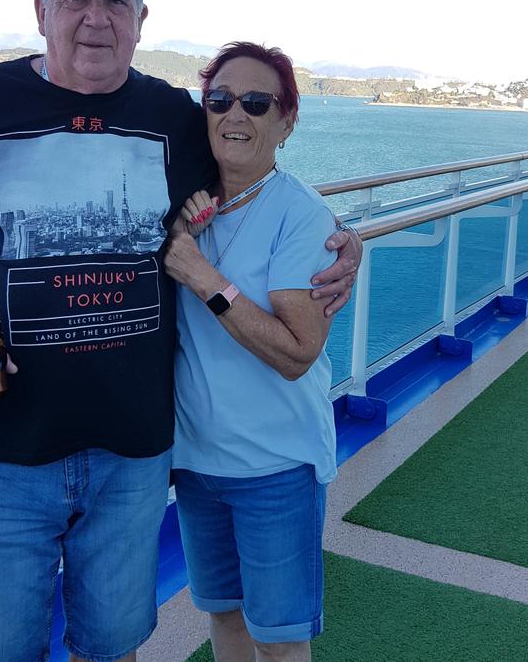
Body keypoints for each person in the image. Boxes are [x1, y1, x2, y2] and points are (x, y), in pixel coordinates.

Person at [0, 0, 361, 662]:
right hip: (1, 451)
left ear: (141, 20)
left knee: (114, 646)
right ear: (40, 10)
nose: (96, 17)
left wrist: (344, 240)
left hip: (135, 454)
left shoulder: (175, 118)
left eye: (115, 0)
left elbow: (252, 176)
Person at [165, 42, 341, 662]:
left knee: (281, 645)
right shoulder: (190, 205)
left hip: (275, 467)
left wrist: (202, 276)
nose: (235, 114)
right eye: (220, 99)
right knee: (227, 623)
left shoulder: (301, 215)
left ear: (286, 121)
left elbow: (297, 353)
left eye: (257, 102)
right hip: (197, 463)